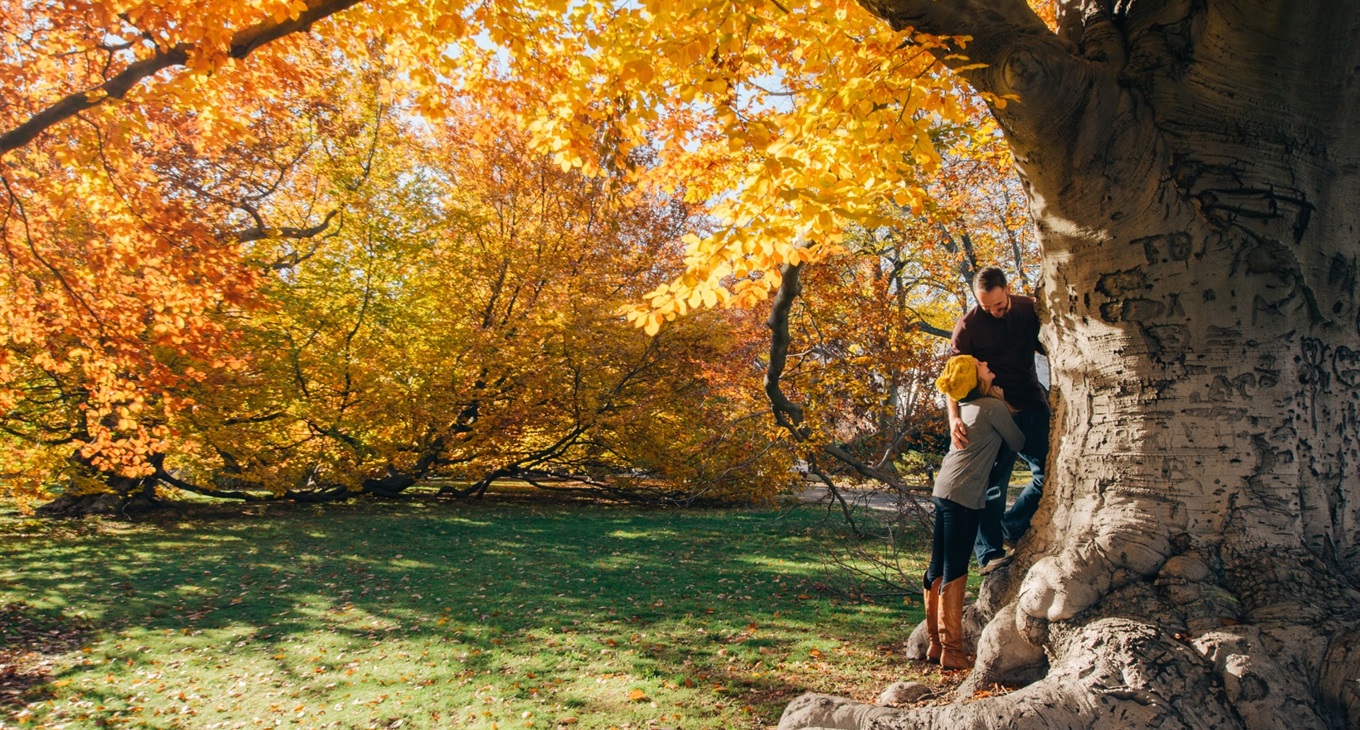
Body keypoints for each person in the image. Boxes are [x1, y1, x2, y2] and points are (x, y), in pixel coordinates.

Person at [947, 266, 1049, 574]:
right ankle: (989, 553)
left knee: (1048, 476)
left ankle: (1011, 526)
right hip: (991, 413)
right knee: (990, 487)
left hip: (1031, 405)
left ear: (1008, 289)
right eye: (985, 306)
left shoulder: (1029, 310)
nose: (993, 312)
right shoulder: (968, 326)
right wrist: (954, 419)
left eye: (999, 305)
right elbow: (952, 379)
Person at [924, 355, 1024, 669]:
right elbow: (1017, 440)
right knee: (954, 568)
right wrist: (1004, 402)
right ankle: (952, 651)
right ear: (975, 378)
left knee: (937, 566)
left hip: (944, 488)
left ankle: (936, 644)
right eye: (979, 365)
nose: (985, 362)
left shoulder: (966, 409)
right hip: (963, 494)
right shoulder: (992, 408)